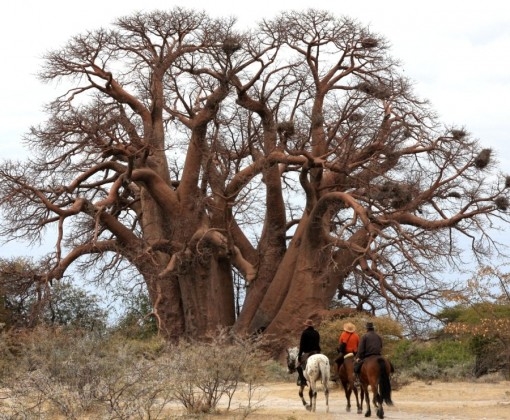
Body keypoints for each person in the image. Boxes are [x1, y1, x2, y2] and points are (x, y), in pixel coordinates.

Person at [296, 318, 321, 386]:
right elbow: (318, 343)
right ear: (312, 325)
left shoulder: (304, 332)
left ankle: (303, 381)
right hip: (317, 352)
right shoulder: (316, 332)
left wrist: (299, 355)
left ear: (306, 325)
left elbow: (302, 345)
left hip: (308, 353)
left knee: (298, 366)